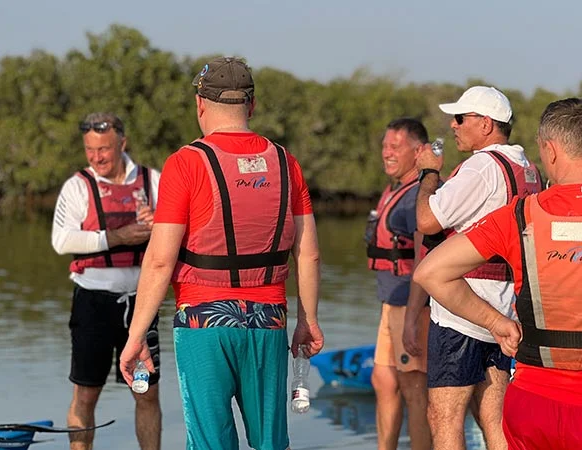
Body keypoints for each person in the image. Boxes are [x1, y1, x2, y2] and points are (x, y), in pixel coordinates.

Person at [414, 97, 582, 450]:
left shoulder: (519, 216)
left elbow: (430, 272)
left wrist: (497, 323)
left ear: (550, 151)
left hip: (532, 408)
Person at [118, 56, 324, 450]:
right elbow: (309, 255)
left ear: (200, 104)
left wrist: (136, 334)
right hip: (269, 321)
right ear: (252, 105)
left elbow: (160, 260)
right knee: (270, 443)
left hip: (202, 323)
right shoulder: (287, 163)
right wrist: (308, 321)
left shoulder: (185, 164)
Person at [402, 86, 542, 450]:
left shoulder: (483, 166)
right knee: (493, 418)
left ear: (485, 124)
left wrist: (429, 174)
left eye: (461, 118)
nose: (453, 125)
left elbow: (427, 220)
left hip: (463, 308)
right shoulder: (527, 168)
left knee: (443, 416)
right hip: (506, 305)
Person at [51, 112, 162, 450]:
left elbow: (181, 235)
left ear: (122, 144)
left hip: (141, 308)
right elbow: (61, 241)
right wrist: (116, 237)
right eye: (90, 150)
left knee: (146, 393)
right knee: (85, 395)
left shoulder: (152, 181)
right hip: (93, 305)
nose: (97, 157)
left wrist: (160, 225)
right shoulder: (76, 187)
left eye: (104, 149)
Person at [365, 118, 432, 450]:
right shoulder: (395, 189)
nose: (386, 153)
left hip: (412, 306)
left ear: (418, 152)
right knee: (382, 379)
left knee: (414, 388)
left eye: (395, 147)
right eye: (384, 145)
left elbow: (424, 258)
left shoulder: (418, 196)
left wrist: (411, 316)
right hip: (390, 301)